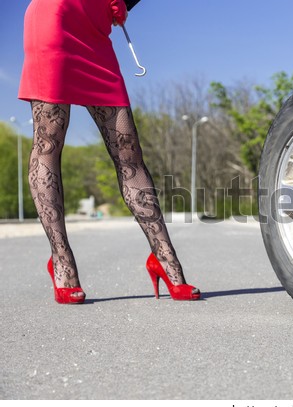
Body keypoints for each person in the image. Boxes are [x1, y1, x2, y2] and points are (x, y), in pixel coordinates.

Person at [18, 0, 200, 303]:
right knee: (49, 142)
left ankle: (166, 261)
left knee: (129, 152)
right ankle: (62, 262)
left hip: (95, 31)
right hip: (55, 18)